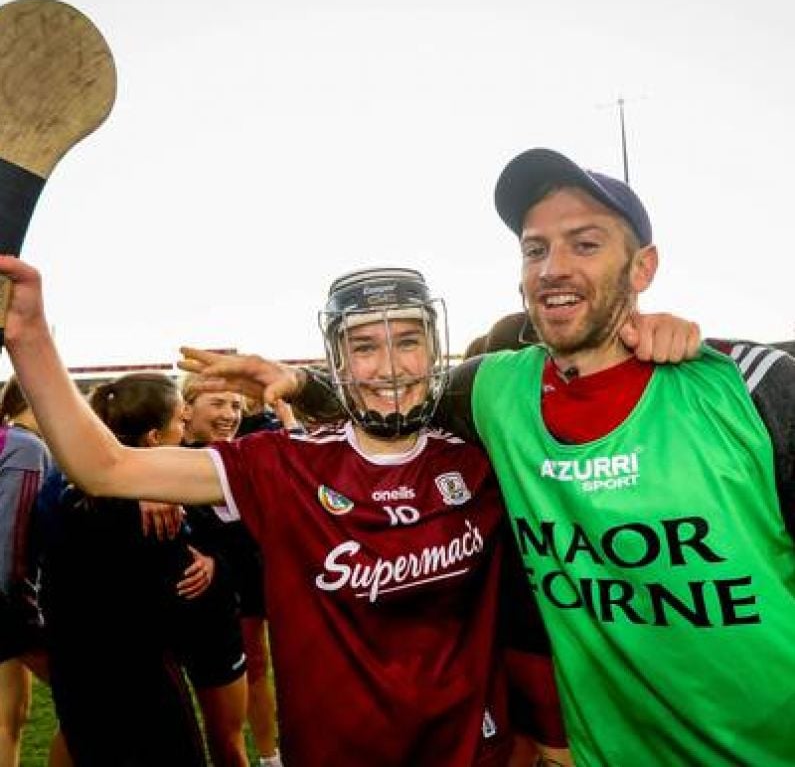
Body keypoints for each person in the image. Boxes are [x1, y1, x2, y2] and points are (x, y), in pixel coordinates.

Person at [0, 262, 573, 766]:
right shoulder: (281, 464)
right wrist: (29, 335)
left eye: (408, 340)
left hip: (475, 751)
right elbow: (105, 469)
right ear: (339, 358)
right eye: (365, 346)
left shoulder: (481, 460)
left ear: (434, 345)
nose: (390, 366)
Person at [397, 148, 795, 764]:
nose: (552, 268)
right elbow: (397, 398)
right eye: (536, 249)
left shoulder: (752, 385)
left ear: (642, 268)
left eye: (585, 244)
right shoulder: (494, 391)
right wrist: (300, 385)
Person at [36, 373, 208, 767]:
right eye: (180, 421)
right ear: (152, 437)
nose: (186, 429)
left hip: (76, 670)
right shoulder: (154, 511)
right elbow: (181, 595)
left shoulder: (60, 487)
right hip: (139, 677)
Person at [180, 376, 281, 767]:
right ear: (186, 409)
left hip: (241, 586)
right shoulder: (160, 458)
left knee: (256, 664)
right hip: (183, 605)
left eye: (236, 406)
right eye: (218, 404)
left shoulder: (241, 455)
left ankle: (271, 758)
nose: (229, 415)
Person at [0, 377, 71, 767]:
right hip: (11, 603)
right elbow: (13, 536)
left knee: (10, 716)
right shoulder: (26, 447)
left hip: (8, 598)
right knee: (85, 700)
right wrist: (24, 609)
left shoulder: (10, 439)